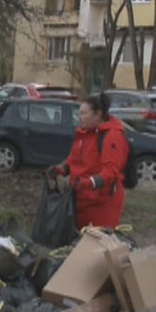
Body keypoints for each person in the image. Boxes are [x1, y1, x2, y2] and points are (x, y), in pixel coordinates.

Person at [48, 93, 128, 229]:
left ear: (98, 114)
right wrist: (61, 169)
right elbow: (73, 159)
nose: (80, 117)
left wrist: (89, 183)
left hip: (101, 203)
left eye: (84, 113)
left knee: (95, 244)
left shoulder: (112, 136)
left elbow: (111, 172)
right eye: (79, 113)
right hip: (80, 199)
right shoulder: (83, 134)